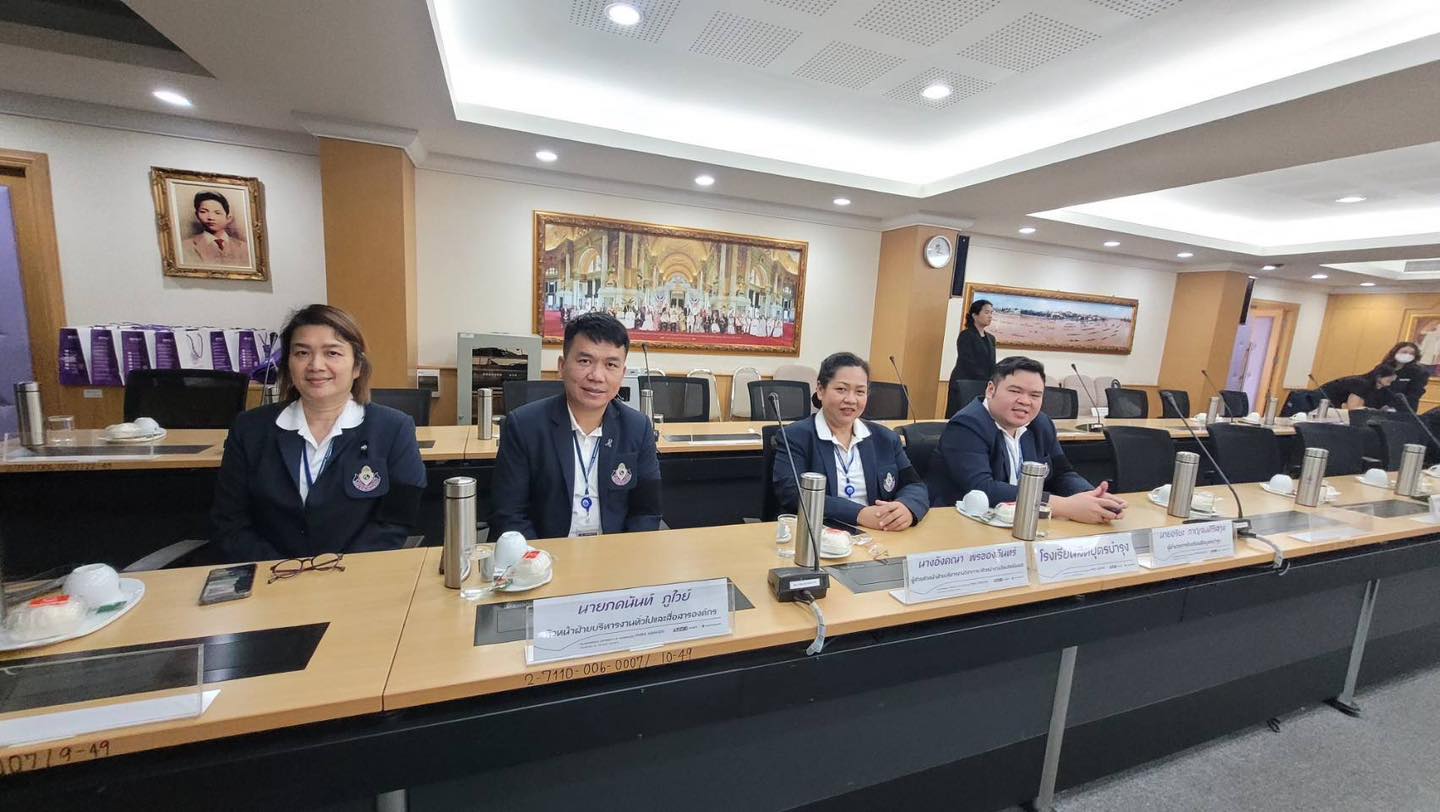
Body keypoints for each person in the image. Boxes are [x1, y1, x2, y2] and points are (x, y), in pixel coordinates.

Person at [211, 304, 426, 563]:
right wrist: (284, 569)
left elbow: (396, 520)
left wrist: (335, 570)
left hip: (357, 576)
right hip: (270, 576)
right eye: (302, 353)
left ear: (357, 366)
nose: (315, 365)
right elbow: (230, 522)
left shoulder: (394, 429)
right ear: (288, 364)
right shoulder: (249, 429)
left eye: (332, 353)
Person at [490, 312, 662, 540]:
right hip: (546, 553)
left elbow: (646, 512)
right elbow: (509, 515)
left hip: (614, 551)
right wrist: (542, 558)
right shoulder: (523, 426)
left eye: (611, 364)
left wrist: (623, 554)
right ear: (562, 366)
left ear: (622, 373)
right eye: (585, 361)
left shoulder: (637, 428)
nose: (597, 376)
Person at [928, 356, 1127, 524]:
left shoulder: (1041, 424)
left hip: (1023, 522)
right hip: (965, 522)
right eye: (1015, 391)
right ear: (991, 390)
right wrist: (1065, 506)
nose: (1025, 401)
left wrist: (1092, 496)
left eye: (1035, 395)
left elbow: (1062, 473)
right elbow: (983, 488)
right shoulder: (966, 425)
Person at [772, 353, 929, 531]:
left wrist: (907, 508)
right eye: (841, 389)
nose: (851, 399)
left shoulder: (885, 438)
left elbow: (914, 485)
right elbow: (793, 494)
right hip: (819, 533)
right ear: (820, 390)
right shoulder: (795, 437)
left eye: (860, 392)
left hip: (879, 533)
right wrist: (859, 514)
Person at [946, 299, 997, 417]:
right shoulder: (966, 335)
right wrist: (985, 378)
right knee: (960, 415)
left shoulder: (991, 338)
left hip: (983, 385)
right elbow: (967, 362)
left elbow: (991, 363)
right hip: (964, 382)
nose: (990, 316)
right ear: (975, 315)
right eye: (986, 312)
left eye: (991, 313)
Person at [182, 191, 252, 267]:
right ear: (197, 215)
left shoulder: (245, 247)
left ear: (228, 218)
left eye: (217, 213)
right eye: (203, 212)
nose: (210, 217)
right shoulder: (185, 246)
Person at [1319, 364, 1400, 410]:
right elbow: (1353, 408)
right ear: (1378, 377)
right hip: (1319, 402)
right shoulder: (1361, 383)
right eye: (1388, 381)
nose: (1389, 385)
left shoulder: (1379, 389)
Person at [1379, 342, 1429, 411]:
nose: (1407, 355)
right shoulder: (1382, 368)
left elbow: (1414, 394)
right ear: (1395, 352)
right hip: (1377, 408)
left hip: (1402, 410)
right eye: (1404, 352)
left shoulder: (1419, 372)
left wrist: (1391, 406)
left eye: (1411, 354)